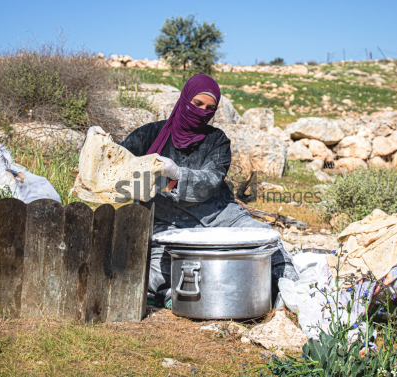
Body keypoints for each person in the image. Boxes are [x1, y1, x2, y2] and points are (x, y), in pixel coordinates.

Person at [88, 74, 298, 308]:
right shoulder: (148, 135)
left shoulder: (216, 141)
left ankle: (293, 295)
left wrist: (178, 173)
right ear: (185, 99)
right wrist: (98, 146)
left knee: (267, 241)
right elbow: (117, 166)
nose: (202, 112)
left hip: (218, 216)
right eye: (197, 104)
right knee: (159, 272)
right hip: (165, 223)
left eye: (210, 108)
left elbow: (210, 181)